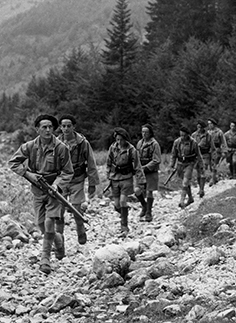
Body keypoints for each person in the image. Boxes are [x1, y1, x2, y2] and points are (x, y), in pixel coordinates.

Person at [9, 114, 74, 274]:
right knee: (40, 224)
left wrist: (57, 186)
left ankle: (45, 259)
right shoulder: (29, 147)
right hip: (37, 190)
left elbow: (67, 171)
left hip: (54, 192)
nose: (47, 130)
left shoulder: (60, 148)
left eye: (50, 127)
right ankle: (58, 240)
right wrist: (28, 175)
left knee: (49, 222)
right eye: (44, 127)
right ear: (37, 129)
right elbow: (13, 163)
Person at [57, 114, 100, 252]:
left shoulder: (83, 143)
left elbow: (91, 162)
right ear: (60, 127)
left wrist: (92, 183)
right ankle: (59, 242)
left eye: (69, 126)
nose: (66, 128)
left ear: (73, 127)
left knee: (76, 209)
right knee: (59, 212)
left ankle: (80, 230)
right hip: (61, 180)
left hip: (77, 179)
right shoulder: (56, 143)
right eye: (63, 126)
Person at [106, 127, 146, 237]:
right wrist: (108, 175)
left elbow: (137, 166)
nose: (119, 142)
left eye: (121, 139)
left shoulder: (131, 150)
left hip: (126, 177)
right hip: (114, 178)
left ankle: (124, 225)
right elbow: (108, 162)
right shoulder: (113, 148)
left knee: (123, 201)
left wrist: (141, 180)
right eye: (117, 139)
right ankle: (124, 213)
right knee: (117, 204)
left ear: (125, 139)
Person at [170, 126, 204, 208]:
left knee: (185, 182)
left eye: (184, 135)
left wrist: (201, 165)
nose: (182, 137)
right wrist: (171, 165)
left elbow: (198, 155)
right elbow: (173, 155)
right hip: (180, 164)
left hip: (189, 164)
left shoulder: (193, 143)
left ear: (187, 135)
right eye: (181, 135)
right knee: (185, 182)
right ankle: (190, 198)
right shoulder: (177, 142)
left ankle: (182, 201)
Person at [135, 124, 162, 222]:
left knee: (149, 191)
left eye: (146, 132)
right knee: (137, 190)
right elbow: (136, 156)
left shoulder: (154, 144)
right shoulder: (139, 143)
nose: (144, 134)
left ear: (150, 133)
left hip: (151, 171)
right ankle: (144, 205)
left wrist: (145, 167)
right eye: (142, 132)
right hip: (140, 171)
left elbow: (157, 159)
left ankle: (149, 212)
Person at [191, 121, 212, 197]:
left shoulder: (208, 135)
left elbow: (211, 146)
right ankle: (200, 188)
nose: (199, 129)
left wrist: (212, 156)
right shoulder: (193, 135)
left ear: (203, 128)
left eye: (200, 127)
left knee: (203, 172)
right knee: (198, 173)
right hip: (196, 156)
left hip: (205, 155)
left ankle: (202, 189)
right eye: (198, 127)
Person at [207, 118, 228, 185]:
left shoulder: (219, 132)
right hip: (209, 150)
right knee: (210, 166)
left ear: (214, 124)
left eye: (210, 124)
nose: (209, 125)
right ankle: (214, 178)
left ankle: (212, 180)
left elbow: (223, 142)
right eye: (208, 124)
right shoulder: (207, 132)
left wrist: (224, 151)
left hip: (217, 150)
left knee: (214, 165)